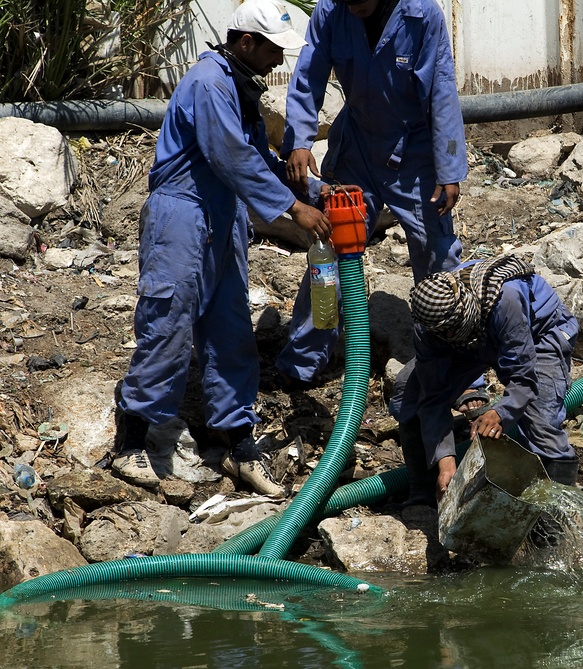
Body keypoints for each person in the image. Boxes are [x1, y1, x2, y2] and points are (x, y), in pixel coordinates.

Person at [112, 0, 331, 495]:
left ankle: (235, 438)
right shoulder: (210, 81)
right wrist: (294, 211)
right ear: (246, 43)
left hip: (223, 215)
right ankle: (134, 442)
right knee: (168, 322)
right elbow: (229, 156)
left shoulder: (239, 84)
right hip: (181, 214)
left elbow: (256, 156)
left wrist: (316, 193)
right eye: (275, 51)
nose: (280, 62)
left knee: (230, 327)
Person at [275, 0, 468, 389]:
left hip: (414, 154)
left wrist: (448, 168)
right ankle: (302, 362)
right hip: (358, 149)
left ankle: (461, 373)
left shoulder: (422, 16)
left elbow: (442, 91)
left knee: (437, 254)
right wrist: (298, 139)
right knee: (330, 252)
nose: (356, 5)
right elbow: (309, 75)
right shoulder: (331, 12)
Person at [389, 255, 580, 505]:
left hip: (538, 333)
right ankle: (425, 494)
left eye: (450, 329)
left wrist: (501, 413)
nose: (447, 334)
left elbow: (523, 378)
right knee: (409, 392)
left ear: (461, 312)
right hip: (470, 341)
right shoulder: (429, 327)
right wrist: (445, 462)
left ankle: (554, 512)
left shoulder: (505, 300)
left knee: (539, 423)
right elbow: (432, 395)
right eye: (442, 332)